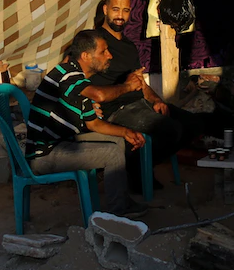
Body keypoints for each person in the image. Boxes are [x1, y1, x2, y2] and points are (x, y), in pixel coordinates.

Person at [81, 0, 196, 193]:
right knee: (170, 129)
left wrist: (156, 100)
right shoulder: (94, 41)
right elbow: (71, 72)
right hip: (117, 110)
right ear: (105, 9)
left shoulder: (129, 46)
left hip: (140, 104)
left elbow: (140, 82)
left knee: (192, 124)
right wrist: (86, 102)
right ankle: (136, 170)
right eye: (115, 9)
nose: (120, 15)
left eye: (125, 10)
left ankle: (139, 166)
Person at [27, 29, 149, 218]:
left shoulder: (80, 82)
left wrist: (126, 133)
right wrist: (127, 86)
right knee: (112, 154)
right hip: (44, 155)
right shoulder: (67, 74)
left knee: (117, 141)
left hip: (60, 144)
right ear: (85, 56)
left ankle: (121, 202)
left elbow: (94, 125)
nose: (109, 56)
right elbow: (100, 95)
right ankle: (119, 212)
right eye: (103, 52)